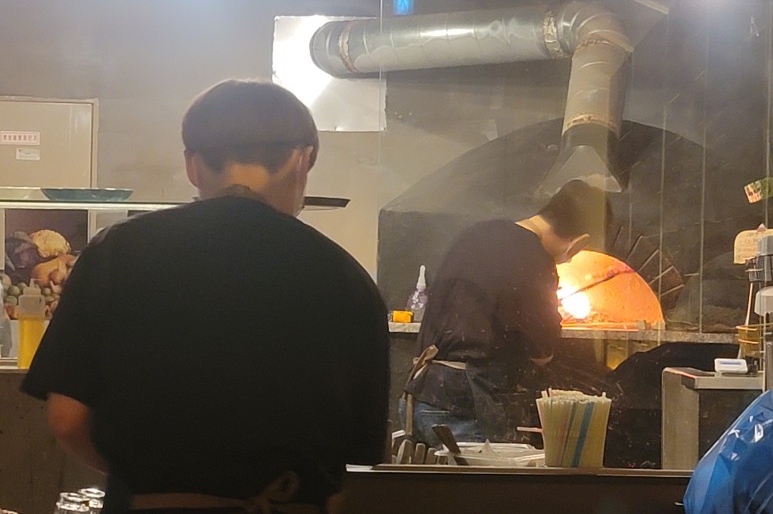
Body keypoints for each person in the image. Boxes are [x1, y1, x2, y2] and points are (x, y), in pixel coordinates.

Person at [21, 79, 390, 513]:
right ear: (303, 160)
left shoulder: (117, 253)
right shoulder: (347, 280)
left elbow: (68, 422)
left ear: (193, 165)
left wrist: (150, 483)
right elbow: (359, 458)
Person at [401, 180, 611, 446]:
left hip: (423, 392)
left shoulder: (477, 234)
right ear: (580, 242)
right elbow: (542, 349)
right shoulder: (534, 256)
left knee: (439, 488)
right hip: (467, 403)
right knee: (486, 488)